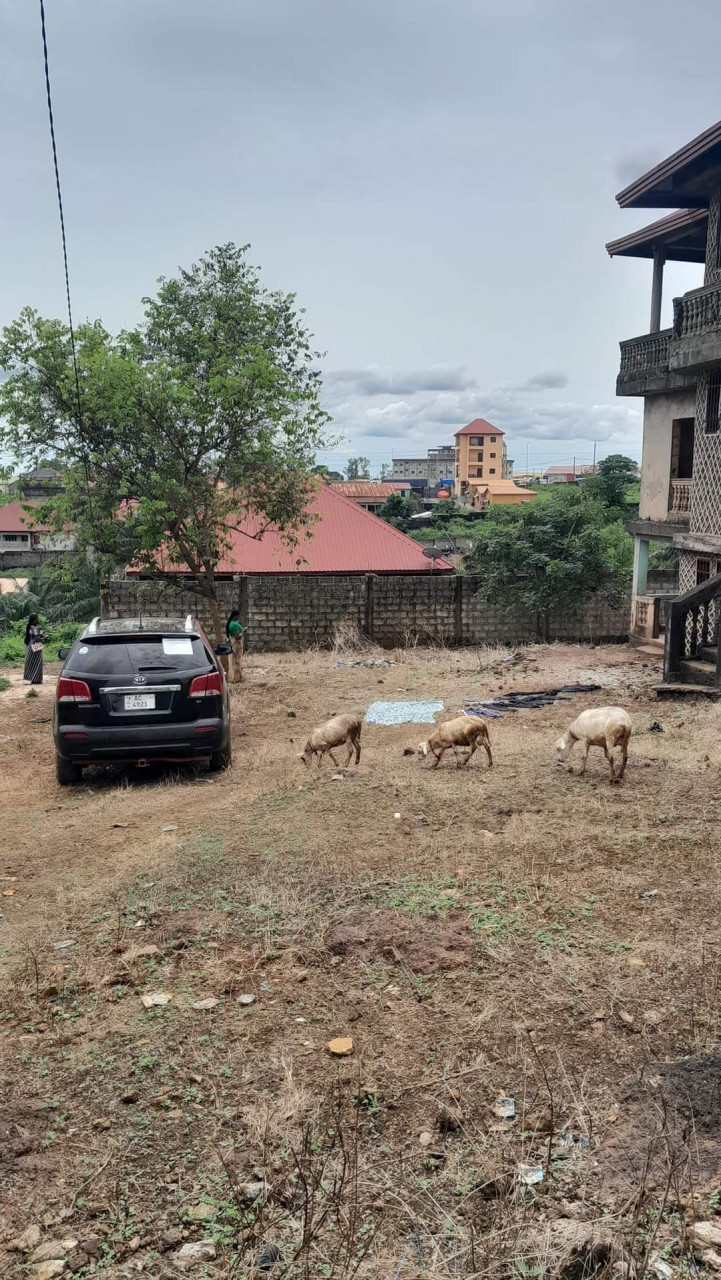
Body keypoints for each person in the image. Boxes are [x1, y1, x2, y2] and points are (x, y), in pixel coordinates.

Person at [23, 614, 46, 685]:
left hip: (30, 646)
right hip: (36, 646)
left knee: (32, 663)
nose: (38, 620)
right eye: (36, 619)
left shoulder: (29, 627)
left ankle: (33, 679)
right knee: (38, 663)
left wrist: (41, 635)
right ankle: (37, 680)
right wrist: (44, 638)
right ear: (33, 620)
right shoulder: (35, 628)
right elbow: (37, 639)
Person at [225, 609, 245, 683]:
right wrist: (242, 633)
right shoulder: (235, 625)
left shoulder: (230, 623)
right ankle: (237, 678)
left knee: (234, 660)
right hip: (237, 644)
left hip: (233, 644)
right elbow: (237, 636)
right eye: (238, 615)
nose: (239, 616)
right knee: (237, 661)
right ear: (235, 616)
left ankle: (236, 677)